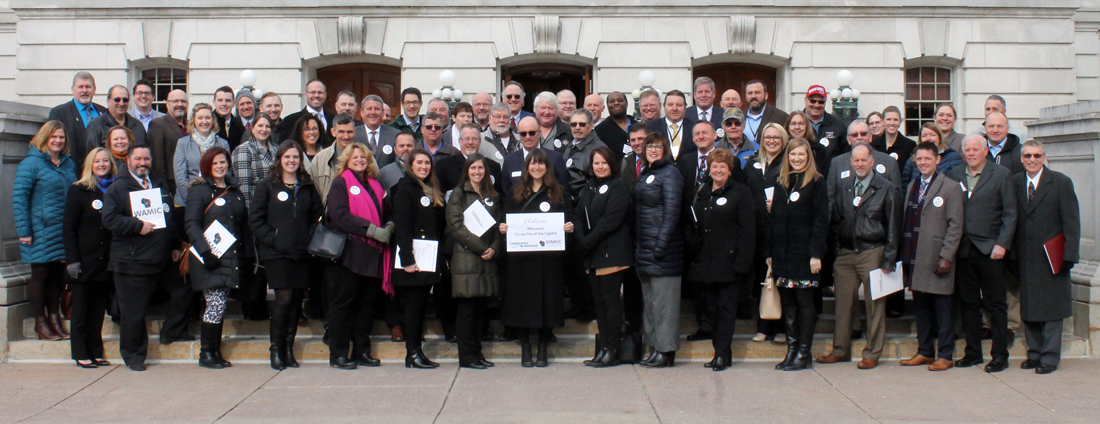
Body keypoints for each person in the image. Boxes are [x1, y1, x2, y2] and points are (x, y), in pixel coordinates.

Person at [100, 145, 187, 371]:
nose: (142, 163)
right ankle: (134, 356)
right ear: (128, 161)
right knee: (134, 313)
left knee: (184, 289)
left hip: (162, 256)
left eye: (146, 159)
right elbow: (109, 219)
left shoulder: (159, 185)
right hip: (131, 261)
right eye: (137, 159)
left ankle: (172, 332)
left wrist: (175, 244)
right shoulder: (118, 188)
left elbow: (170, 218)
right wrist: (137, 225)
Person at [816, 143, 901, 370]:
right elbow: (835, 221)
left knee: (875, 306)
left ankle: (872, 352)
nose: (860, 164)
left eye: (864, 160)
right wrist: (836, 252)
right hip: (845, 253)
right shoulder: (844, 187)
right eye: (856, 160)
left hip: (873, 251)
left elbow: (894, 226)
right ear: (851, 162)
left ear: (872, 162)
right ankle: (840, 350)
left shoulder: (887, 188)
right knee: (843, 305)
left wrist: (888, 259)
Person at [945, 134, 1017, 373]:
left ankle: (999, 355)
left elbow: (1010, 214)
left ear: (986, 151)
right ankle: (973, 353)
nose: (972, 153)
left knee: (996, 304)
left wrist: (1002, 244)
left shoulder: (1002, 175)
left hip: (991, 250)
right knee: (968, 304)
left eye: (976, 149)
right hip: (963, 250)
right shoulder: (954, 174)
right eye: (968, 150)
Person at [249, 141, 323, 370]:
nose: (291, 161)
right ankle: (276, 350)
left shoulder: (307, 186)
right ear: (279, 159)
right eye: (287, 157)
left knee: (296, 303)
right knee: (283, 300)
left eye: (296, 157)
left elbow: (317, 216)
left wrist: (308, 237)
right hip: (276, 254)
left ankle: (289, 349)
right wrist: (274, 239)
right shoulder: (267, 186)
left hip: (301, 254)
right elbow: (256, 219)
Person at [498, 148, 574, 367]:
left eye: (541, 163)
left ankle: (542, 348)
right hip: (521, 259)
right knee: (522, 303)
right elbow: (506, 220)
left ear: (547, 167)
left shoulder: (558, 192)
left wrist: (568, 228)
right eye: (533, 163)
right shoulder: (516, 192)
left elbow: (568, 220)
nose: (537, 167)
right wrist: (504, 229)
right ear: (527, 167)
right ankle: (525, 349)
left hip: (548, 260)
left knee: (547, 303)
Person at [324, 142, 394, 369]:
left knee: (366, 307)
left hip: (373, 255)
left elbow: (387, 211)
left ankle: (362, 351)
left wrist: (390, 226)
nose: (359, 160)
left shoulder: (375, 184)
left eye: (363, 157)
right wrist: (371, 229)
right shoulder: (340, 183)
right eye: (354, 157)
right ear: (346, 160)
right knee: (342, 306)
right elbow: (340, 215)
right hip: (349, 255)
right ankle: (339, 354)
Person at [1014, 140, 1080, 374]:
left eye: (1037, 155)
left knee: (1052, 308)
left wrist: (1069, 255)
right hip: (1025, 255)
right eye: (1027, 155)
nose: (1032, 159)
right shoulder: (1015, 182)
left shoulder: (1060, 182)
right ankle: (1034, 353)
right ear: (1021, 158)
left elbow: (1071, 222)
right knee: (1030, 306)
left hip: (1053, 256)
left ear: (1044, 157)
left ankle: (1050, 357)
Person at [685, 148, 755, 371]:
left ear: (730, 170)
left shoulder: (741, 193)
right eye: (714, 166)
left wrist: (742, 262)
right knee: (712, 310)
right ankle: (719, 351)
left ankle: (723, 354)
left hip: (729, 264)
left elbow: (747, 231)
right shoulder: (702, 191)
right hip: (705, 263)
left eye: (722, 167)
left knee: (726, 311)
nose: (717, 170)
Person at [898, 142, 964, 372]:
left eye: (928, 158)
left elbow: (956, 225)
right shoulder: (913, 185)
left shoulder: (951, 187)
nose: (923, 163)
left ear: (937, 160)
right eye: (919, 159)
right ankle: (924, 350)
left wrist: (946, 255)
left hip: (937, 258)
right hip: (915, 255)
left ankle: (945, 354)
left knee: (944, 309)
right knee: (921, 308)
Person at [766, 138, 827, 371]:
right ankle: (791, 351)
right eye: (793, 155)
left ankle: (804, 352)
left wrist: (815, 254)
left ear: (808, 156)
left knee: (804, 303)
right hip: (782, 253)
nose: (797, 159)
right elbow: (774, 220)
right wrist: (770, 252)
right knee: (788, 305)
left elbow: (821, 220)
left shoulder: (817, 182)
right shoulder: (781, 181)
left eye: (801, 154)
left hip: (805, 255)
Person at [184, 147, 247, 369]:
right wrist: (205, 252)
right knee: (215, 304)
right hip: (208, 257)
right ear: (207, 166)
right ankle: (206, 353)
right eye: (215, 163)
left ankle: (215, 351)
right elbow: (191, 223)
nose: (220, 166)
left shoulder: (233, 189)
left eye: (223, 162)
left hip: (229, 256)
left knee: (219, 306)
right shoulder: (199, 190)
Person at [14, 121, 77, 341]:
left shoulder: (68, 164)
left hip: (63, 229)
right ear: (44, 138)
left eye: (61, 137)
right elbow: (20, 198)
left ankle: (54, 318)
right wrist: (24, 230)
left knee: (58, 276)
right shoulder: (31, 164)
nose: (58, 141)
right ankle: (40, 323)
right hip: (40, 229)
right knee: (40, 274)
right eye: (53, 137)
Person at [571, 146, 632, 368]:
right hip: (592, 255)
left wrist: (587, 241)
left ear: (611, 164)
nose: (600, 166)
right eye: (596, 163)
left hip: (611, 254)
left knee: (610, 302)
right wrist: (580, 237)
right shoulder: (589, 187)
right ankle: (603, 347)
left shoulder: (619, 188)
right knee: (599, 303)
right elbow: (578, 215)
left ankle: (613, 350)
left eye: (604, 163)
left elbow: (610, 222)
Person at [446, 154, 502, 369]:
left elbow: (498, 226)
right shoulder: (458, 194)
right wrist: (481, 248)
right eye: (473, 168)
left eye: (481, 168)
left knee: (480, 311)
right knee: (467, 311)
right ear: (467, 171)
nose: (477, 172)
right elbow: (456, 226)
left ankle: (477, 354)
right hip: (467, 260)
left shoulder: (492, 195)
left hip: (487, 260)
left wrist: (495, 248)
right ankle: (467, 356)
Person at [391, 148, 446, 369]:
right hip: (413, 259)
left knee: (420, 305)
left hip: (427, 257)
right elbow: (402, 227)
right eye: (419, 163)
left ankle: (416, 353)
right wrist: (407, 259)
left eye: (427, 163)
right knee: (413, 307)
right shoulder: (405, 189)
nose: (424, 167)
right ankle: (412, 354)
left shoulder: (428, 189)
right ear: (410, 165)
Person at [633, 132, 684, 368]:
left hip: (663, 250)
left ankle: (666, 351)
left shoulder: (670, 174)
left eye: (657, 146)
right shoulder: (647, 173)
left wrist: (661, 243)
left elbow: (673, 212)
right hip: (645, 249)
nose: (652, 150)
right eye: (648, 146)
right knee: (651, 305)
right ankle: (654, 348)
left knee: (665, 306)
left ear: (665, 149)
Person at [63, 147, 115, 367]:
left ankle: (95, 351)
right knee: (81, 311)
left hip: (105, 261)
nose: (101, 164)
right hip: (84, 260)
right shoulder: (79, 190)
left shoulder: (114, 190)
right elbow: (69, 226)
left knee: (97, 311)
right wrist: (72, 259)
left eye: (105, 161)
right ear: (89, 165)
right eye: (97, 161)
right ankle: (80, 352)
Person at [232, 115, 278, 321]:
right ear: (252, 128)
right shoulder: (243, 150)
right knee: (254, 262)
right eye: (260, 125)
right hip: (254, 214)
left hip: (274, 214)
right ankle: (252, 307)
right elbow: (243, 187)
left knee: (268, 261)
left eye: (267, 126)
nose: (264, 129)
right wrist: (255, 218)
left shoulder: (276, 150)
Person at [745, 123, 788, 343]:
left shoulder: (788, 164)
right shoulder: (752, 164)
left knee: (778, 278)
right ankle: (763, 325)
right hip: (757, 231)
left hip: (780, 229)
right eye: (767, 137)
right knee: (762, 280)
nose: (771, 141)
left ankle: (781, 327)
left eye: (776, 138)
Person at [173, 103, 230, 206]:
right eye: (200, 118)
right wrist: (193, 201)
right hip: (187, 201)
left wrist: (215, 200)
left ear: (213, 120)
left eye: (207, 118)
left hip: (216, 201)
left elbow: (228, 173)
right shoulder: (183, 143)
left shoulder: (223, 144)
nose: (204, 121)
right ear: (193, 120)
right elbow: (180, 177)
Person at [48, 71, 107, 171]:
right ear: (73, 89)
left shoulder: (104, 112)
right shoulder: (59, 113)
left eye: (88, 87)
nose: (84, 90)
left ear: (94, 89)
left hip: (101, 173)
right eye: (80, 87)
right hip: (73, 172)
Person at [501, 116, 570, 195]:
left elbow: (564, 191)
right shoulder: (510, 160)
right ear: (519, 134)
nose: (528, 137)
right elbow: (505, 194)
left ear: (539, 133)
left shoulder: (555, 158)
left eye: (532, 133)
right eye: (523, 134)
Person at [146, 89, 189, 196]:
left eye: (183, 101)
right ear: (167, 104)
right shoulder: (158, 124)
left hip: (190, 181)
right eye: (175, 101)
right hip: (170, 185)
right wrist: (163, 190)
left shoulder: (191, 125)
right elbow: (157, 162)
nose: (180, 104)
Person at [86, 84, 147, 154]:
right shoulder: (96, 126)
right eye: (117, 100)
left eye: (125, 100)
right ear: (108, 101)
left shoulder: (137, 126)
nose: (121, 103)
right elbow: (92, 157)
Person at [311, 113, 358, 203]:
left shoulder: (366, 157)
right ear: (333, 132)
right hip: (327, 213)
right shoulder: (319, 159)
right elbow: (313, 193)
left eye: (349, 132)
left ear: (355, 132)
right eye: (341, 132)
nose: (346, 136)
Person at [901, 122, 964, 188]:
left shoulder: (953, 158)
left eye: (932, 135)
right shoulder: (912, 160)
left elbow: (957, 186)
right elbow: (905, 187)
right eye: (924, 135)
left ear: (939, 138)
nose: (928, 138)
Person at [802, 84, 847, 165]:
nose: (816, 105)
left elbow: (845, 154)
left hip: (829, 175)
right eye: (813, 101)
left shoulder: (838, 125)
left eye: (821, 102)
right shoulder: (796, 123)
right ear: (805, 100)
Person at [646, 90, 694, 162]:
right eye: (670, 105)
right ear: (663, 106)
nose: (674, 108)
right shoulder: (651, 127)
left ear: (685, 107)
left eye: (679, 105)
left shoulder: (694, 127)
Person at [354, 95, 400, 168]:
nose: (373, 112)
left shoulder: (395, 135)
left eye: (377, 109)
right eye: (369, 109)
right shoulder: (353, 134)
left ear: (382, 112)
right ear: (361, 112)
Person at [742, 80, 788, 145]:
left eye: (757, 92)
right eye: (750, 93)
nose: (753, 96)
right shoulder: (739, 117)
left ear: (766, 95)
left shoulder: (781, 117)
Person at [593, 91, 635, 158]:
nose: (616, 103)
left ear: (626, 104)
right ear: (607, 106)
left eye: (620, 100)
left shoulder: (638, 126)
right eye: (612, 101)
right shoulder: (600, 130)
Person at [212, 86, 245, 150]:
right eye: (220, 100)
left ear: (234, 103)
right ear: (214, 102)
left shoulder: (239, 125)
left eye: (228, 100)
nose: (224, 104)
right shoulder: (208, 124)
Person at [619, 123, 648, 190]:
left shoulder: (657, 161)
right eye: (633, 140)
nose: (636, 143)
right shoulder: (625, 161)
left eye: (640, 139)